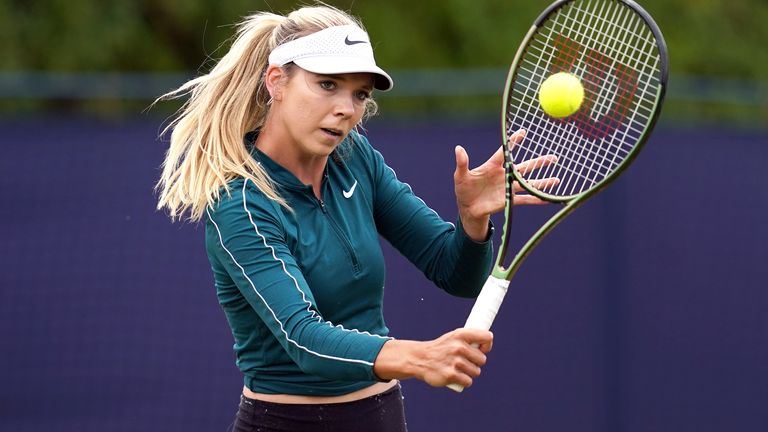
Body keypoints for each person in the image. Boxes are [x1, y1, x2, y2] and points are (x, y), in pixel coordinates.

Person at [155, 4, 554, 432]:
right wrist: (420, 357)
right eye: (327, 84)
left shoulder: (356, 158)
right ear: (277, 82)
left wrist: (473, 223)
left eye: (360, 93)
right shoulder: (241, 202)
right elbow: (302, 338)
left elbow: (454, 272)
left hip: (380, 416)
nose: (346, 107)